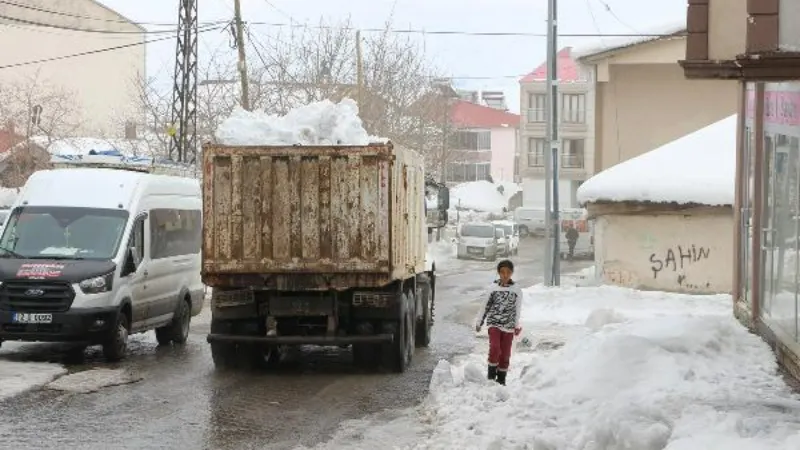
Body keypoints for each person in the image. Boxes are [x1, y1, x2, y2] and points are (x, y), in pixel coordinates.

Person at [475, 260, 523, 385]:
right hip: (494, 324)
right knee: (495, 348)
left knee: (505, 353)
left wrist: (516, 325)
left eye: (508, 272)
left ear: (512, 273)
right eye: (502, 272)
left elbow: (517, 309)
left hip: (508, 326)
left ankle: (501, 379)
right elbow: (485, 306)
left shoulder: (517, 290)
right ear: (498, 273)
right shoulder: (493, 288)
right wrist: (479, 322)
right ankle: (491, 377)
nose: (505, 275)